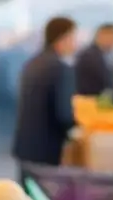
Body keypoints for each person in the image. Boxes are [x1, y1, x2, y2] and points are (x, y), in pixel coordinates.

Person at [12, 16, 77, 177]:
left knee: (26, 196)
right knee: (41, 199)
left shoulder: (32, 63)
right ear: (62, 38)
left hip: (25, 146)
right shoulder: (60, 68)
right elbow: (64, 114)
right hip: (46, 149)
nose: (75, 44)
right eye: (73, 38)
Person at [75, 24, 113, 97]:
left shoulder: (97, 54)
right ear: (101, 35)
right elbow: (106, 82)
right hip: (88, 101)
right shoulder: (91, 56)